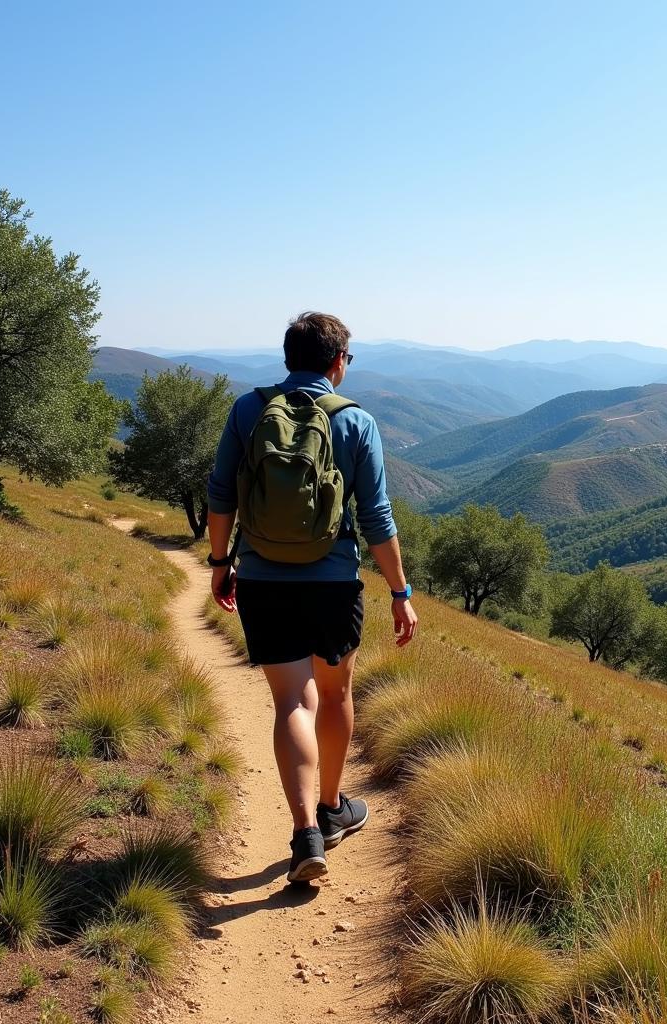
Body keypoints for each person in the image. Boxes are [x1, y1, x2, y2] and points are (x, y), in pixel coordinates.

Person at [206, 311, 417, 884]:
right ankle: (331, 808)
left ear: (287, 358)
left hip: (262, 581)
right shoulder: (356, 422)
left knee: (292, 703)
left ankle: (305, 835)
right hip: (332, 583)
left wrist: (221, 564)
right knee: (334, 690)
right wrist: (400, 592)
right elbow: (376, 518)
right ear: (337, 362)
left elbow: (221, 494)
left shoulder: (248, 411)